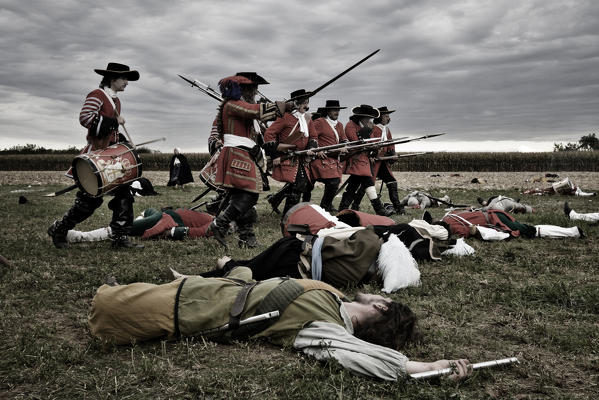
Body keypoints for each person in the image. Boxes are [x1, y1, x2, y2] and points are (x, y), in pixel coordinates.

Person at [88, 268, 471, 380]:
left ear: (383, 307)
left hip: (179, 307)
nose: (372, 293)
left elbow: (354, 354)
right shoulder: (331, 297)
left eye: (378, 297)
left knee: (104, 303)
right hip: (196, 288)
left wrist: (422, 368)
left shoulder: (328, 325)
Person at [47, 62, 143, 249]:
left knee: (124, 194)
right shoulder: (97, 95)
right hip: (97, 156)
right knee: (89, 202)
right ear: (113, 78)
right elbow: (85, 117)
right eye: (124, 78)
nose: (127, 83)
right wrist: (114, 120)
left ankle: (119, 238)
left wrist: (124, 142)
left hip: (111, 156)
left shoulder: (116, 100)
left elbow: (111, 132)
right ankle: (60, 229)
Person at [208, 74, 290, 248]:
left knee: (244, 198)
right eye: (251, 88)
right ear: (241, 89)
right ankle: (220, 223)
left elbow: (260, 132)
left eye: (254, 88)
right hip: (238, 156)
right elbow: (256, 111)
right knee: (250, 195)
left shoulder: (247, 114)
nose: (254, 91)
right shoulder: (233, 105)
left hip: (248, 156)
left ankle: (246, 237)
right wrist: (285, 106)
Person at [264, 89, 320, 216]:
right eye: (303, 102)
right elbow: (269, 134)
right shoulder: (285, 117)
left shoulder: (308, 119)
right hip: (288, 157)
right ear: (296, 103)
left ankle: (277, 201)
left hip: (302, 157)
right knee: (298, 184)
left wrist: (311, 148)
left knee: (301, 184)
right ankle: (288, 217)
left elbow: (313, 137)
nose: (306, 106)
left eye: (307, 102)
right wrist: (275, 154)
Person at [338, 105, 392, 216]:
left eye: (369, 118)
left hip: (365, 160)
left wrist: (376, 148)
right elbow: (356, 142)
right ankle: (380, 211)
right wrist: (368, 131)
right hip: (355, 159)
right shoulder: (350, 125)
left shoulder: (367, 126)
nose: (369, 120)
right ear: (360, 117)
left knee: (353, 186)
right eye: (366, 117)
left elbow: (372, 143)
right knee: (368, 183)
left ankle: (342, 208)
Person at [352, 106, 404, 215]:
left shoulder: (387, 130)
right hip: (374, 162)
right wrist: (373, 155)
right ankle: (355, 206)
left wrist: (393, 154)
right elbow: (371, 144)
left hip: (383, 162)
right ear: (380, 117)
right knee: (367, 185)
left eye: (388, 116)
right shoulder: (374, 129)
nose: (388, 118)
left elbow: (390, 145)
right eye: (386, 116)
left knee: (392, 182)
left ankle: (399, 208)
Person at [65, 207, 215, 243]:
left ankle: (82, 237)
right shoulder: (217, 217)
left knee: (123, 228)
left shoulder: (219, 224)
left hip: (168, 219)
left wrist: (173, 232)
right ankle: (139, 224)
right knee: (148, 210)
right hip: (166, 214)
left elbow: (203, 231)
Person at [301, 100, 349, 213]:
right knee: (308, 186)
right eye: (334, 110)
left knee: (334, 182)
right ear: (328, 111)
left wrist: (345, 146)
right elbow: (310, 137)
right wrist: (316, 151)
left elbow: (344, 139)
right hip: (319, 159)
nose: (337, 112)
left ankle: (325, 207)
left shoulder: (340, 125)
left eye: (338, 110)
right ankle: (305, 206)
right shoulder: (319, 122)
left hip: (332, 160)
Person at [441, 209, 584, 239]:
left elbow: (469, 232)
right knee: (527, 228)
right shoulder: (449, 215)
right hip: (494, 214)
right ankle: (571, 231)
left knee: (531, 230)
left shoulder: (450, 225)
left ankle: (573, 232)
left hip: (496, 220)